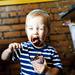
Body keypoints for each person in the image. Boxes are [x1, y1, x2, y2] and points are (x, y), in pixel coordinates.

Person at [1, 9, 63, 75]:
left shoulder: (51, 51)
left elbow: (58, 70)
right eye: (30, 28)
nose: (35, 32)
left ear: (47, 32)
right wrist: (9, 50)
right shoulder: (23, 47)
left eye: (40, 28)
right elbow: (4, 58)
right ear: (26, 31)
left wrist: (46, 70)